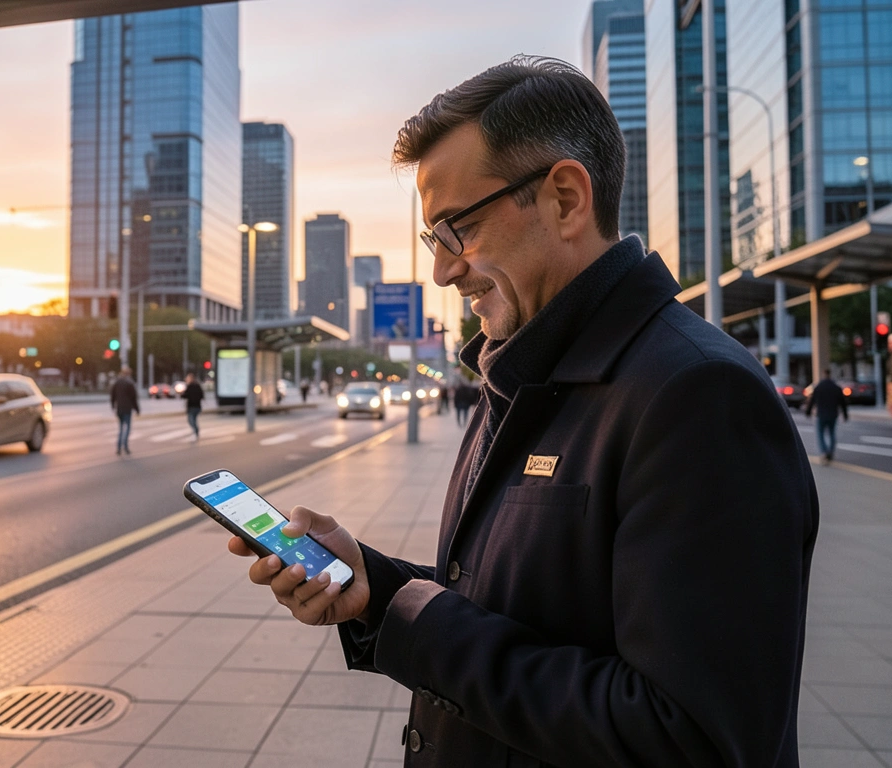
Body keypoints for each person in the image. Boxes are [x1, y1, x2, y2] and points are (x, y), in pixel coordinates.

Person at [225, 56, 818, 767]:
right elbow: (512, 603)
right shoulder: (520, 369)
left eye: (457, 230)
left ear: (566, 198)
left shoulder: (697, 397)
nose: (443, 269)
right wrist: (375, 587)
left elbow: (692, 738)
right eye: (432, 241)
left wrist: (424, 626)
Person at [805, 371, 848, 464]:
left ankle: (824, 451)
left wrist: (808, 412)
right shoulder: (836, 388)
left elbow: (812, 400)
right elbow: (842, 403)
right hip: (833, 414)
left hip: (821, 414)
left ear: (824, 375)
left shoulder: (819, 387)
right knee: (832, 433)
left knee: (820, 434)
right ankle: (830, 451)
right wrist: (845, 415)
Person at [109, 367, 139, 455]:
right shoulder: (129, 384)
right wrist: (137, 409)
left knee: (121, 428)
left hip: (119, 409)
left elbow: (112, 396)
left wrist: (113, 406)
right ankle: (125, 446)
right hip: (127, 409)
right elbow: (134, 398)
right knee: (127, 428)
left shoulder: (117, 383)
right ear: (128, 374)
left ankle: (118, 447)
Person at [182, 373, 205, 441]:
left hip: (192, 406)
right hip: (197, 406)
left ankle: (196, 431)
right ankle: (196, 431)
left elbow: (185, 395)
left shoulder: (189, 386)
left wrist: (183, 393)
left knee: (191, 420)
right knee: (193, 420)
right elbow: (202, 395)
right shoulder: (197, 386)